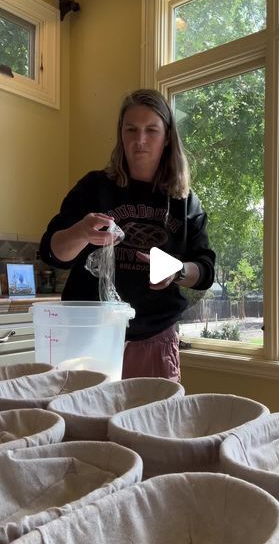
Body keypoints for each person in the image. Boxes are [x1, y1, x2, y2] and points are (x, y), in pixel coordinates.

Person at [40, 89, 215, 382]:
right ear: (121, 134)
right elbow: (52, 252)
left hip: (154, 339)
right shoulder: (93, 188)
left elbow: (205, 271)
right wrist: (80, 232)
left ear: (168, 137)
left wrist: (178, 271)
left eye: (151, 130)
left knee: (151, 424)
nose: (140, 140)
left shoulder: (185, 202)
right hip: (86, 336)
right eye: (131, 129)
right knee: (83, 425)